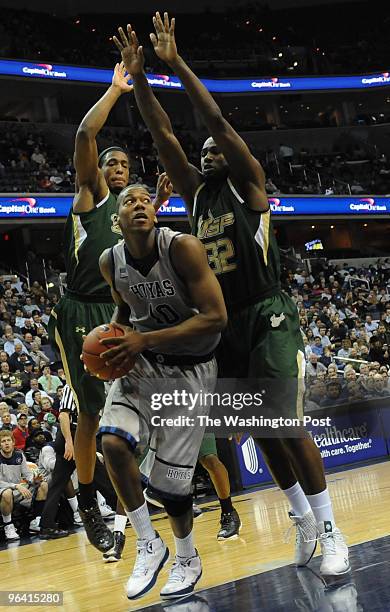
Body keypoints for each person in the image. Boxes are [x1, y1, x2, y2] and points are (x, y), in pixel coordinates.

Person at [116, 12, 349, 577]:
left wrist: (175, 63)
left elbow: (215, 119)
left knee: (287, 425)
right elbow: (163, 134)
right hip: (221, 322)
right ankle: (299, 518)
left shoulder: (248, 184)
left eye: (214, 148)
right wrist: (141, 79)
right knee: (260, 432)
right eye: (203, 152)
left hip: (268, 312)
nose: (205, 150)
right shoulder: (197, 196)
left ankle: (331, 529)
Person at [47, 63, 169, 553]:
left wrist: (157, 203)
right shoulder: (91, 196)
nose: (117, 171)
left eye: (123, 166)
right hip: (80, 313)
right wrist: (117, 90)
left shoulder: (132, 211)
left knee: (132, 412)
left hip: (123, 313)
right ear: (97, 171)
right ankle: (86, 498)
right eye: (110, 164)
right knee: (91, 417)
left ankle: (125, 522)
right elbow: (84, 132)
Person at [95, 181, 226, 599]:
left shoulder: (183, 247)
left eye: (145, 200)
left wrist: (143, 339)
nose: (138, 204)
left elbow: (216, 318)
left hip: (191, 370)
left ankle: (187, 557)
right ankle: (148, 543)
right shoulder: (109, 261)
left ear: (155, 212)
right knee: (112, 444)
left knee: (171, 489)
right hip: (144, 365)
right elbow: (124, 311)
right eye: (128, 200)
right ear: (117, 221)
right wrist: (111, 342)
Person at [0, 430, 48, 541]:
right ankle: (8, 526)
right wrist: (16, 486)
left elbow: (27, 474)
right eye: (3, 441)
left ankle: (37, 521)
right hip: (4, 490)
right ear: (0, 444)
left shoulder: (19, 455)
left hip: (17, 489)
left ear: (13, 442)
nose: (6, 443)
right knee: (7, 493)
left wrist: (34, 479)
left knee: (43, 484)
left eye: (8, 440)